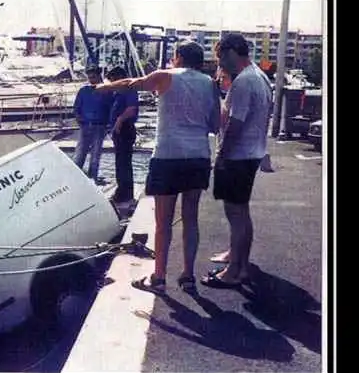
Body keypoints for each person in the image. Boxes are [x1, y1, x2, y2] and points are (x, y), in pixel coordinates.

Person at [95, 41, 221, 293]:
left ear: (178, 57)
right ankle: (187, 275)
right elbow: (215, 124)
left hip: (168, 156)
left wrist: (103, 86)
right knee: (191, 218)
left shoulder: (165, 76)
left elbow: (131, 83)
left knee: (163, 222)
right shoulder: (210, 84)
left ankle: (159, 277)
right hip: (197, 156)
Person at [201, 33, 273, 288]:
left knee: (236, 213)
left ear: (232, 52)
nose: (219, 63)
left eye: (221, 57)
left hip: (237, 156)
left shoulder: (243, 81)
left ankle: (234, 272)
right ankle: (237, 257)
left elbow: (235, 123)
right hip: (251, 153)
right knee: (241, 211)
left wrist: (221, 155)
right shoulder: (259, 76)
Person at [73, 65, 113, 182]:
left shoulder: (107, 91)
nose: (91, 80)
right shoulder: (83, 91)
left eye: (93, 77)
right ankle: (75, 179)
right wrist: (79, 121)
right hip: (85, 126)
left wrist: (108, 126)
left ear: (99, 76)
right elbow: (76, 108)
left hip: (100, 126)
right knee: (79, 155)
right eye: (89, 77)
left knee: (95, 156)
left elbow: (111, 109)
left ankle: (93, 180)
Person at [105, 66, 139, 203]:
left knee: (124, 162)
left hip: (125, 128)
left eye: (113, 80)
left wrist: (119, 120)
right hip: (118, 130)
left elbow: (132, 109)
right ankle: (122, 191)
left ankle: (125, 193)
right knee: (120, 162)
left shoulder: (129, 89)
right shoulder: (118, 93)